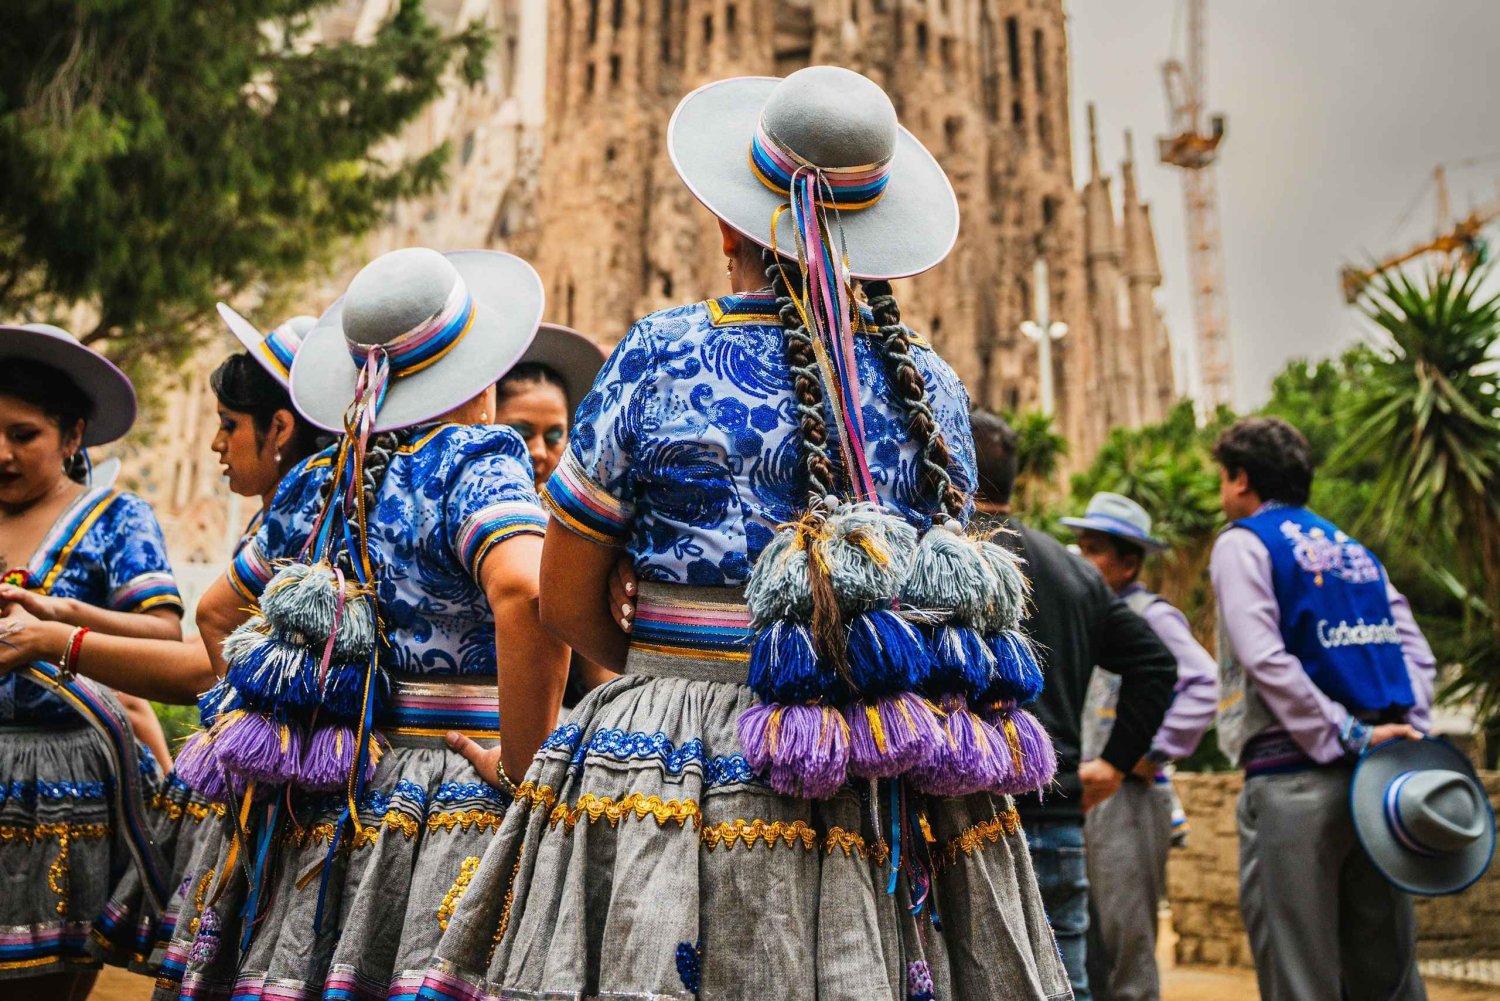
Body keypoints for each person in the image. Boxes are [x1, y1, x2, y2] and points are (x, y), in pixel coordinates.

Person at [423, 66, 1070, 1001]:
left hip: (673, 760)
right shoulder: (933, 390)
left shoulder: (662, 352)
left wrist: (665, 662)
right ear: (873, 240)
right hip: (885, 758)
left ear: (731, 223)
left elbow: (564, 595)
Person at [146, 247, 571, 1000]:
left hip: (315, 791)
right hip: (441, 798)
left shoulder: (316, 479)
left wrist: (285, 725)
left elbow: (217, 612)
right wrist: (526, 767)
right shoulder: (472, 462)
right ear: (477, 379)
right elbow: (528, 595)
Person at [0, 309, 328, 974]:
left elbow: (202, 666)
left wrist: (51, 638)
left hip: (275, 804)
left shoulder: (301, 537)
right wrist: (62, 613)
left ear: (283, 430)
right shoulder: (298, 523)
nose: (214, 444)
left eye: (229, 425)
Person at [1210, 416, 1435, 1001]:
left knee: (1299, 973)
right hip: (1382, 785)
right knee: (1387, 970)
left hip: (1294, 782)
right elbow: (1416, 651)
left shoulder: (1243, 544)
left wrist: (1350, 733)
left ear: (1239, 480)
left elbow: (1264, 658)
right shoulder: (1353, 551)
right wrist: (1408, 730)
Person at [0, 322, 185, 999]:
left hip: (67, 787)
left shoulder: (115, 519)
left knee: (43, 983)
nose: (3, 453)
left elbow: (163, 633)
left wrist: (59, 622)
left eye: (24, 435)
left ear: (73, 436)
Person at [968, 411, 1176, 1001]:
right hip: (1058, 820)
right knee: (1069, 985)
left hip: (967, 818)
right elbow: (1156, 665)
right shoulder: (1073, 572)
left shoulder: (940, 557)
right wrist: (1113, 762)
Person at [1062, 492, 1219, 1001]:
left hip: (1126, 794)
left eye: (1093, 549)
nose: (1079, 557)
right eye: (1080, 545)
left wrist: (1146, 754)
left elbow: (1202, 683)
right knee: (1088, 936)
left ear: (1129, 562)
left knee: (1125, 933)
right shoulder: (1092, 617)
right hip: (1089, 790)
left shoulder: (1151, 615)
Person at [490, 323, 616, 709]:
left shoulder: (576, 525)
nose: (539, 452)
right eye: (520, 432)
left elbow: (599, 674)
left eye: (555, 435)